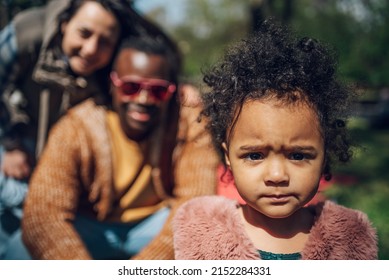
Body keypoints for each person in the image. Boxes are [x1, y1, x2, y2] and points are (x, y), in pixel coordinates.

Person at [173, 20, 378, 260]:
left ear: (324, 153)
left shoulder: (348, 238)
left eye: (298, 155)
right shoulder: (202, 231)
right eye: (255, 155)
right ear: (228, 156)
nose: (277, 175)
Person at [18, 30, 219, 260]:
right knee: (18, 250)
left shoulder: (189, 122)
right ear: (112, 84)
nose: (143, 100)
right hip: (91, 228)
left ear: (172, 91)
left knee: (215, 228)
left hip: (153, 227)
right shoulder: (77, 127)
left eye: (157, 90)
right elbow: (43, 215)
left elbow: (195, 203)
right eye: (131, 87)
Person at [0, 0, 153, 258]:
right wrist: (11, 144)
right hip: (13, 140)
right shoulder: (26, 34)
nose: (91, 49)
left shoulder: (111, 70)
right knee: (13, 197)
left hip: (53, 159)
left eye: (105, 42)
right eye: (84, 33)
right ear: (64, 24)